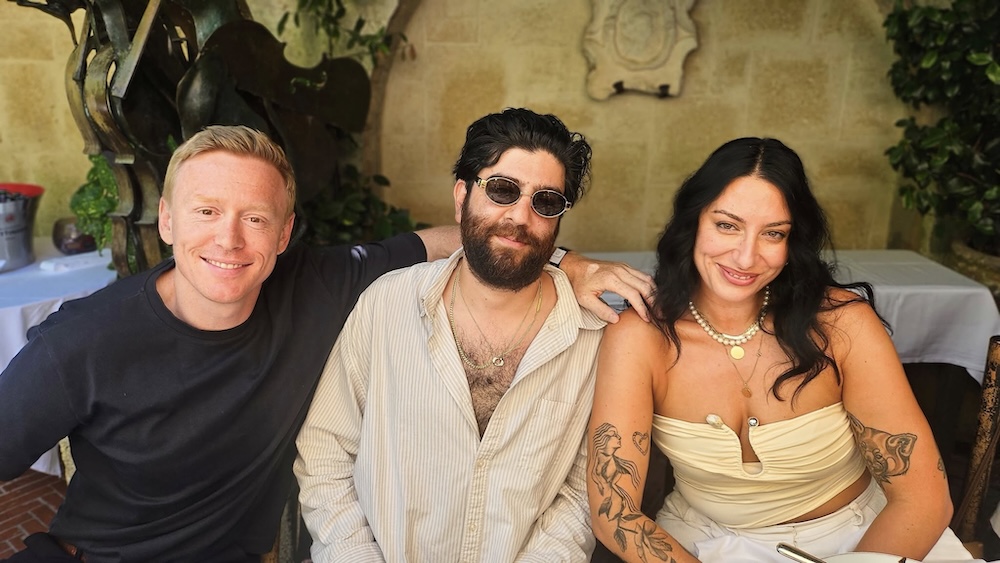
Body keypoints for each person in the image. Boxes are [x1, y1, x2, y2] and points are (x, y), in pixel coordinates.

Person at [0, 125, 652, 563]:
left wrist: (568, 261)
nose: (229, 238)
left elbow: (461, 237)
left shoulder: (319, 285)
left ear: (284, 234)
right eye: (205, 211)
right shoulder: (83, 341)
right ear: (167, 219)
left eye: (255, 217)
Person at [586, 137, 974, 562]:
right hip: (701, 545)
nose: (745, 257)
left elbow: (922, 499)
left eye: (773, 234)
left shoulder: (842, 324)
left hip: (863, 540)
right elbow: (614, 513)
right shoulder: (640, 336)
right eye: (727, 225)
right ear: (693, 221)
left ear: (793, 243)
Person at [294, 108, 617, 561]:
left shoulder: (591, 337)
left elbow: (582, 493)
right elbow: (325, 453)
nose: (520, 216)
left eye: (545, 201)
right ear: (462, 196)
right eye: (502, 189)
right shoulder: (387, 304)